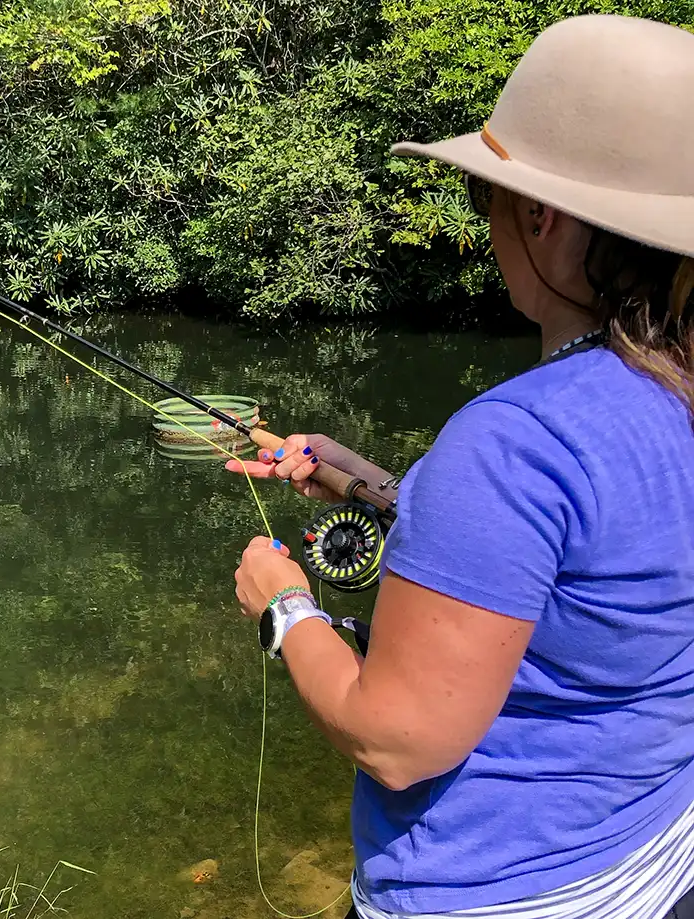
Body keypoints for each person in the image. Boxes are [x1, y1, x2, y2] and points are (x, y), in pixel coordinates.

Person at [228, 14, 694, 919]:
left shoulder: (515, 441)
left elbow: (397, 741)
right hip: (657, 859)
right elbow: (587, 566)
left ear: (542, 215)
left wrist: (285, 606)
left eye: (487, 195)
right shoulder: (662, 395)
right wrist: (371, 483)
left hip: (499, 893)